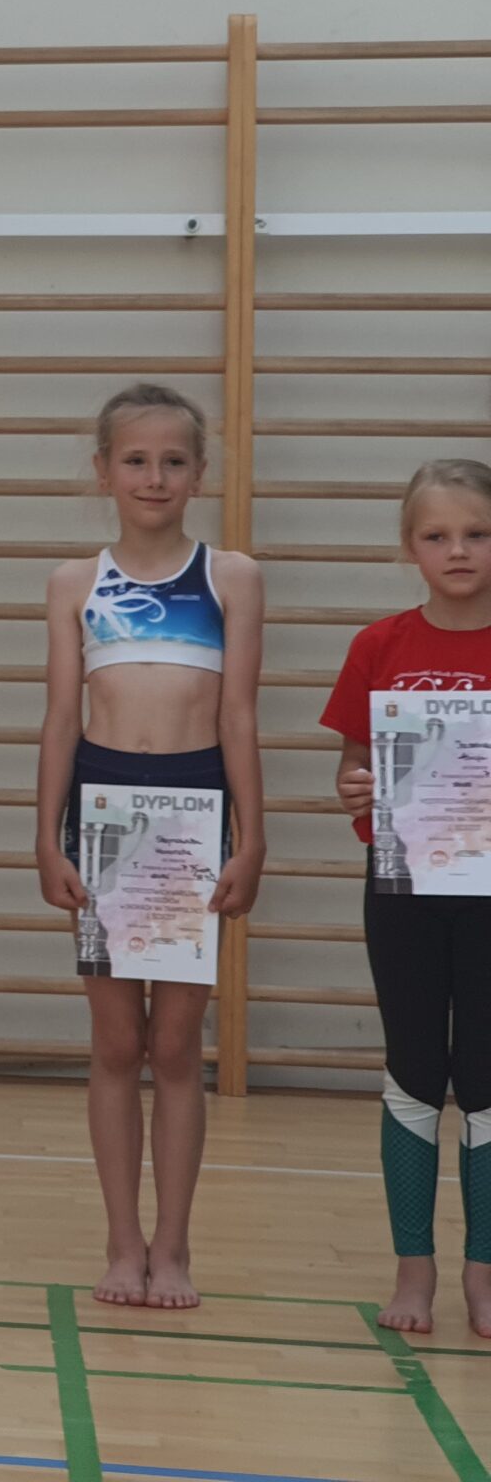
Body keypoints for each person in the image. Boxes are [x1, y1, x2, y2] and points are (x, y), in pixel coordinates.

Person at [35, 382, 265, 1308]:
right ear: (103, 471)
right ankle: (122, 1241)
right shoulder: (75, 583)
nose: (155, 476)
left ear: (199, 473)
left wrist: (251, 839)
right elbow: (61, 718)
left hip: (194, 810)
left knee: (174, 1046)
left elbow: (239, 715)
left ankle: (173, 1245)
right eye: (135, 460)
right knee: (115, 1041)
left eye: (173, 461)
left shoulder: (232, 577)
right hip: (102, 811)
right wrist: (46, 839)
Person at [322, 458, 491, 1336]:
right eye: (437, 535)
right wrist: (355, 785)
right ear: (409, 547)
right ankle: (413, 1269)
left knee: (488, 1078)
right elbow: (354, 764)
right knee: (414, 1070)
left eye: (477, 533)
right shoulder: (379, 646)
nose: (457, 550)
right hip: (404, 887)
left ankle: (484, 1270)